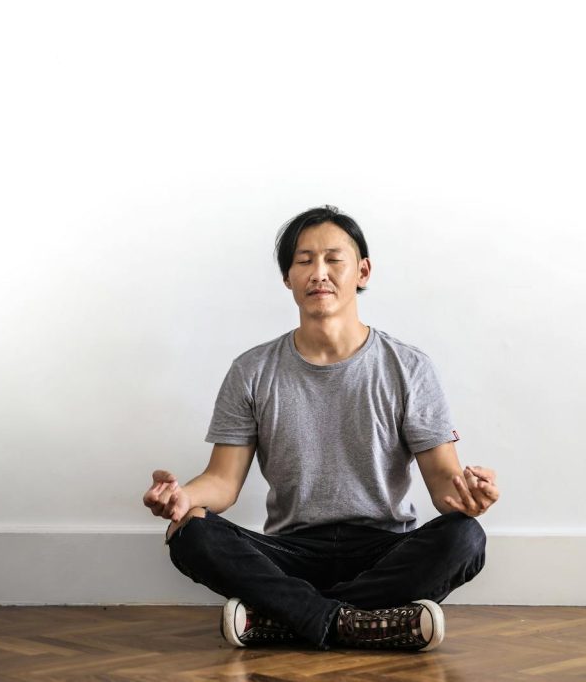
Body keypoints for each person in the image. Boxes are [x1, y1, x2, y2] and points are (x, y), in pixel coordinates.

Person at [142, 204, 499, 652]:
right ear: (287, 278)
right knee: (190, 532)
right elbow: (222, 481)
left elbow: (444, 482)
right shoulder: (252, 370)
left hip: (384, 549)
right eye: (304, 260)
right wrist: (183, 498)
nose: (319, 273)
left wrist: (469, 494)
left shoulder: (409, 367)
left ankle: (288, 618)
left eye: (334, 259)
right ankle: (363, 622)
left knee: (465, 536)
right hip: (290, 553)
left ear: (363, 272)